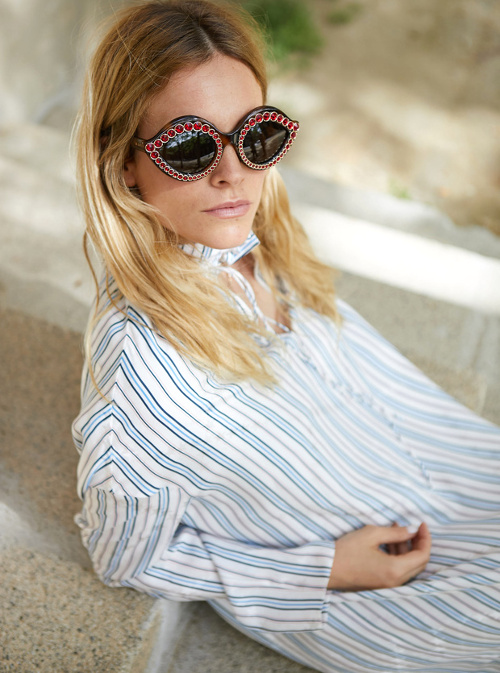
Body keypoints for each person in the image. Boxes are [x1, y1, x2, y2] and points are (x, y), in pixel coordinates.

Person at [72, 1, 500, 671]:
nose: (233, 173)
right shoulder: (142, 375)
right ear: (124, 161)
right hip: (396, 586)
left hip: (452, 476)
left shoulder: (254, 243)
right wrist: (326, 567)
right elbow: (124, 555)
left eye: (257, 135)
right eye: (189, 147)